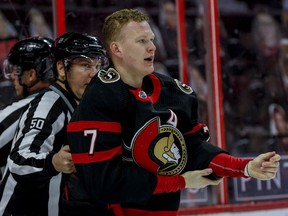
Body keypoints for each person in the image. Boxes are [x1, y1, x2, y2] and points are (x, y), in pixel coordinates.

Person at [67, 9, 280, 216]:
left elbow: (192, 150)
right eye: (141, 41)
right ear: (117, 49)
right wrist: (182, 181)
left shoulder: (174, 92)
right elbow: (105, 184)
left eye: (151, 39)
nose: (152, 47)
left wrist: (246, 167)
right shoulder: (101, 98)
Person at [0, 32, 109, 216]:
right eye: (85, 65)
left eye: (97, 66)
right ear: (60, 68)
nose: (94, 74)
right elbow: (18, 161)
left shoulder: (78, 103)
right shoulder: (48, 105)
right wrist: (53, 162)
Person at [0, 36, 54, 180]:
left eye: (16, 69)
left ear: (31, 75)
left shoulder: (29, 108)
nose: (12, 76)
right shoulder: (65, 102)